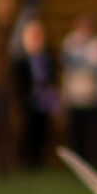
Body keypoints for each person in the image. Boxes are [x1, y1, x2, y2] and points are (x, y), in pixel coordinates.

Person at [60, 12, 97, 170]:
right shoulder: (70, 43)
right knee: (77, 135)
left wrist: (82, 63)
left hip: (95, 96)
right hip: (76, 96)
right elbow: (67, 69)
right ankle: (78, 166)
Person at [10, 13, 59, 169]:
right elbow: (18, 81)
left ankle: (41, 159)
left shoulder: (47, 56)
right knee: (28, 129)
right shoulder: (22, 60)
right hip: (29, 99)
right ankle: (27, 161)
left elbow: (53, 76)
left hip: (45, 99)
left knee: (43, 129)